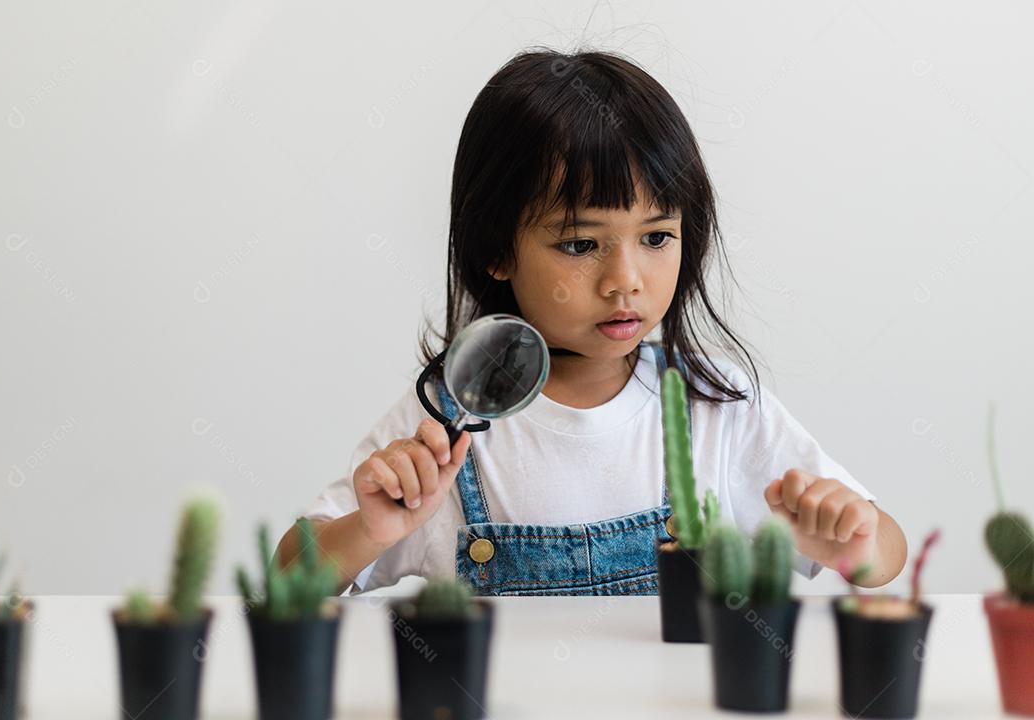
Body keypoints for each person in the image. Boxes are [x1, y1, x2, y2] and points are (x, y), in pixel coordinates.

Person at [276, 49, 907, 595]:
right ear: (496, 249)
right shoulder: (447, 421)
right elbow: (287, 576)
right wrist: (369, 531)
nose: (626, 279)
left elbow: (884, 557)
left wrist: (847, 540)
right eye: (581, 245)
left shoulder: (717, 406)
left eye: (657, 236)